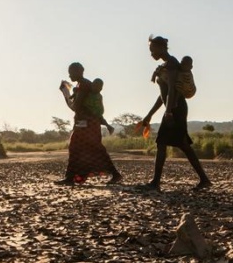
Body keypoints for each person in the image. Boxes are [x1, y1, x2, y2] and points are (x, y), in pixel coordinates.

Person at [138, 36, 211, 191]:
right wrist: (150, 114)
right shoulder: (165, 65)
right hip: (172, 108)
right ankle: (204, 179)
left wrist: (169, 112)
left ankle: (155, 183)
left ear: (161, 47)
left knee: (163, 143)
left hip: (175, 108)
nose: (151, 53)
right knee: (182, 144)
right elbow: (162, 94)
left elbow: (172, 90)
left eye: (153, 50)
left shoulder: (172, 64)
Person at [56, 62, 123, 186]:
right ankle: (72, 177)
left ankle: (71, 177)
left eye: (71, 72)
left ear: (79, 71)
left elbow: (76, 107)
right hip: (88, 124)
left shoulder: (84, 85)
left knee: (84, 148)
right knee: (87, 149)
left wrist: (65, 94)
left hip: (86, 124)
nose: (69, 75)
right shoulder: (83, 85)